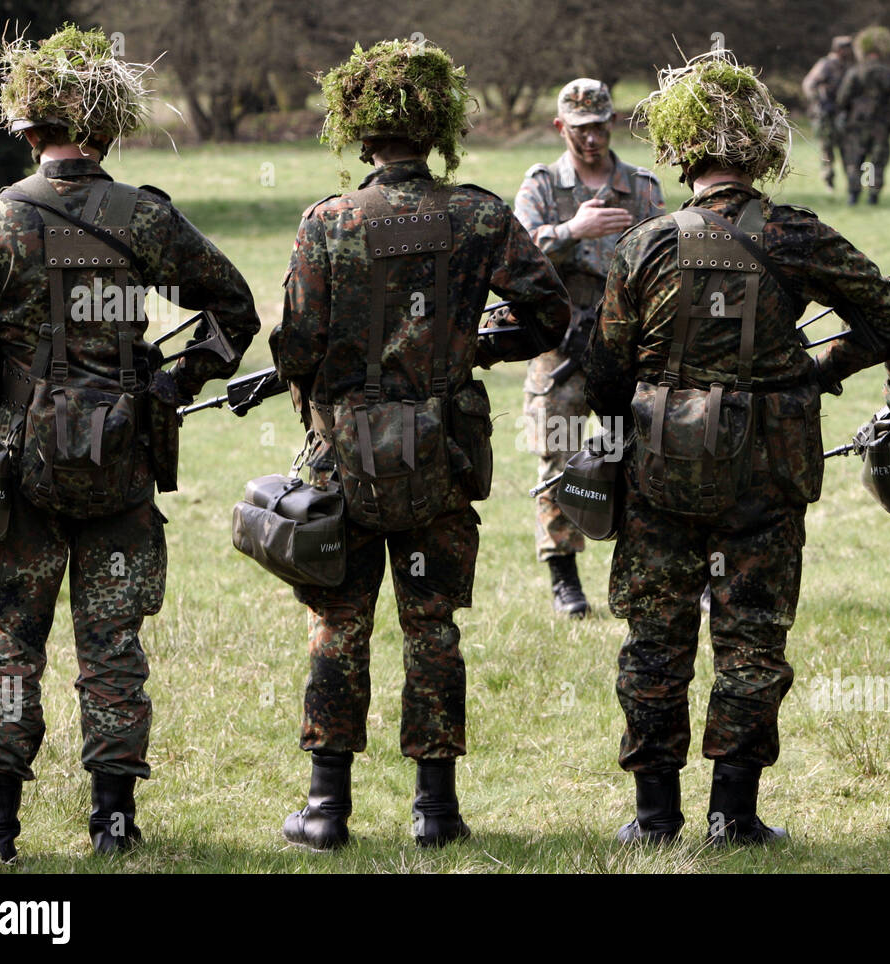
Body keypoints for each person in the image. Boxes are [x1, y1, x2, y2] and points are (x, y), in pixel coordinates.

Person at [0, 25, 260, 861]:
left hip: (19, 473)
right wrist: (171, 385)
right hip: (120, 471)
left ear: (28, 127)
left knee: (9, 644)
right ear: (108, 128)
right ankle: (115, 821)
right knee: (113, 646)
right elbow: (235, 312)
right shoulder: (144, 216)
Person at [584, 49, 890, 845]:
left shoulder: (646, 244)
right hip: (767, 473)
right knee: (752, 635)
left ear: (682, 152)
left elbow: (601, 378)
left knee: (655, 638)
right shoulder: (798, 234)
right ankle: (734, 815)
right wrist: (816, 369)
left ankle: (654, 817)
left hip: (661, 472)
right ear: (760, 150)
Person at [271, 39, 570, 850]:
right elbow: (549, 313)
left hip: (348, 457)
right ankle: (436, 812)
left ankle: (326, 809)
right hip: (441, 454)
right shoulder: (476, 214)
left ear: (360, 136)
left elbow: (294, 344)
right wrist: (478, 348)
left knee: (340, 622)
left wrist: (326, 404)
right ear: (437, 131)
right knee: (432, 623)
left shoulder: (328, 222)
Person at [515, 79, 664, 617]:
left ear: (612, 122)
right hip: (562, 348)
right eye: (581, 130)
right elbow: (518, 254)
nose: (593, 138)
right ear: (561, 128)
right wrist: (571, 230)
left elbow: (665, 256)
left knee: (642, 454)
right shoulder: (542, 186)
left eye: (600, 126)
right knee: (559, 456)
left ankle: (648, 569)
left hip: (630, 346)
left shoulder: (642, 187)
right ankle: (565, 579)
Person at [835, 25, 890, 205]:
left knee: (855, 159)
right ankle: (872, 195)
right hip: (881, 123)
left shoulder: (855, 71)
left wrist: (846, 114)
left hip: (856, 123)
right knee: (876, 161)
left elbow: (842, 98)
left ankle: (853, 194)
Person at [801, 36, 855, 193]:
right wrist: (819, 103)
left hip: (843, 114)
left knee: (848, 149)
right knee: (826, 149)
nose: (849, 52)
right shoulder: (826, 64)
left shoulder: (847, 66)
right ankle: (829, 183)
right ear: (839, 49)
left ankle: (851, 185)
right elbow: (809, 84)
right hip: (826, 116)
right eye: (846, 48)